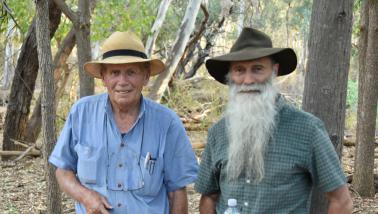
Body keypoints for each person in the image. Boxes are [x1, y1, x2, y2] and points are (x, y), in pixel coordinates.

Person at [194, 28, 352, 213]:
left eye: (257, 69)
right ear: (230, 76)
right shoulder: (218, 132)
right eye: (239, 70)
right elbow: (209, 198)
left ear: (274, 70)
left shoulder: (307, 129)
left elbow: (341, 201)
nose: (247, 80)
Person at [49, 31, 198, 214]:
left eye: (131, 72)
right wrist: (86, 196)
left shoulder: (167, 123)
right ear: (103, 77)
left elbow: (177, 192)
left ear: (146, 76)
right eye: (115, 73)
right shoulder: (82, 113)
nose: (122, 82)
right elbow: (63, 170)